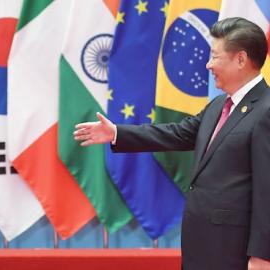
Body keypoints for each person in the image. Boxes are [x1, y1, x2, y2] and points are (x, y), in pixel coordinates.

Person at [74, 17, 270, 270]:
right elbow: (178, 133)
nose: (208, 65)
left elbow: (267, 192)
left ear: (241, 59)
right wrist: (116, 133)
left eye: (215, 56)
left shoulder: (265, 110)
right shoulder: (219, 105)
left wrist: (262, 256)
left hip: (235, 251)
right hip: (202, 246)